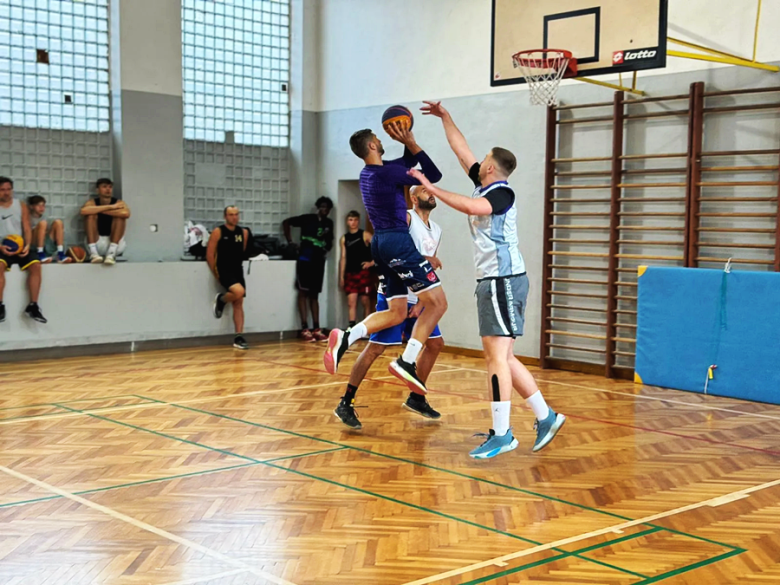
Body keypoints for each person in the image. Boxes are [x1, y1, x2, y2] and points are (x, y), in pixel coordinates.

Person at [411, 100, 565, 459]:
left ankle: (502, 433)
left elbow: (469, 207)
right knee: (504, 356)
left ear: (491, 166)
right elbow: (461, 149)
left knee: (495, 356)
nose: (476, 161)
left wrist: (430, 189)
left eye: (483, 159)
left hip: (502, 280)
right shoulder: (484, 185)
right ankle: (546, 416)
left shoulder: (500, 193)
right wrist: (446, 116)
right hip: (496, 280)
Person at [324, 122, 448, 396]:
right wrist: (413, 142)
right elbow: (434, 175)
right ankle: (407, 360)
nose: (382, 141)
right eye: (379, 139)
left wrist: (406, 142)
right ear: (371, 145)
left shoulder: (369, 173)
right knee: (438, 304)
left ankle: (348, 336)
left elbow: (404, 161)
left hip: (380, 244)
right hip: (396, 240)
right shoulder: (387, 172)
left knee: (397, 312)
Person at [335, 185, 444, 428]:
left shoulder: (437, 229)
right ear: (414, 199)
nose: (431, 193)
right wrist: (426, 261)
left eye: (432, 190)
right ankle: (346, 401)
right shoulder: (406, 218)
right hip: (394, 295)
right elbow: (395, 253)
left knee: (435, 344)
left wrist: (425, 299)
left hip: (419, 297)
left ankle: (417, 397)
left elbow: (425, 269)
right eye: (425, 190)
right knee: (375, 350)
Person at [283, 197, 334, 342]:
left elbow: (330, 241)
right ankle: (304, 327)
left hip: (319, 259)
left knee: (314, 293)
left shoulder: (328, 223)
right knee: (303, 291)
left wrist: (325, 247)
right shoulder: (307, 219)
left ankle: (316, 327)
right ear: (318, 207)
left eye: (327, 208)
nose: (325, 210)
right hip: (305, 257)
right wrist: (291, 242)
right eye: (322, 207)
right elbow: (286, 223)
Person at [0, 177, 46, 323]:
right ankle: (0, 306)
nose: (6, 193)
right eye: (2, 190)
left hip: (20, 246)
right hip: (2, 246)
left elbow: (26, 227)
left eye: (9, 189)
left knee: (36, 265)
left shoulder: (20, 205)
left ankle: (33, 306)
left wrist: (27, 245)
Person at [207, 206, 249, 350]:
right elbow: (210, 255)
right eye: (231, 215)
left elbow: (242, 250)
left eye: (236, 214)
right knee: (239, 292)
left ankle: (239, 336)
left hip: (238, 269)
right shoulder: (218, 232)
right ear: (225, 216)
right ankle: (222, 299)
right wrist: (216, 273)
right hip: (224, 269)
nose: (234, 217)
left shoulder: (243, 232)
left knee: (239, 302)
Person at [80, 178, 130, 265]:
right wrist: (111, 207)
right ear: (97, 190)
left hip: (115, 244)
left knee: (120, 217)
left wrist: (99, 210)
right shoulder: (92, 202)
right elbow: (84, 211)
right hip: (97, 242)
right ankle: (93, 253)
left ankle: (111, 254)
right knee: (90, 216)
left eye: (110, 187)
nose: (108, 189)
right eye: (104, 187)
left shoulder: (118, 202)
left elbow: (126, 214)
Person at [339, 210, 374, 328]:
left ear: (358, 221)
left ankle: (367, 328)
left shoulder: (365, 234)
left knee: (365, 301)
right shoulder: (344, 238)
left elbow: (380, 248)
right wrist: (341, 277)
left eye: (355, 220)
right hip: (350, 273)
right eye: (350, 220)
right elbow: (343, 258)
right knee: (351, 302)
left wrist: (371, 263)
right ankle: (352, 328)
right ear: (347, 221)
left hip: (363, 272)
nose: (353, 222)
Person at [27, 195, 71, 264]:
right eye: (38, 205)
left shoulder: (45, 217)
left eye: (43, 205)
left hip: (45, 244)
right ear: (31, 206)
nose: (41, 208)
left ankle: (60, 254)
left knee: (58, 222)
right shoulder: (27, 217)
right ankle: (40, 254)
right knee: (43, 224)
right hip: (33, 246)